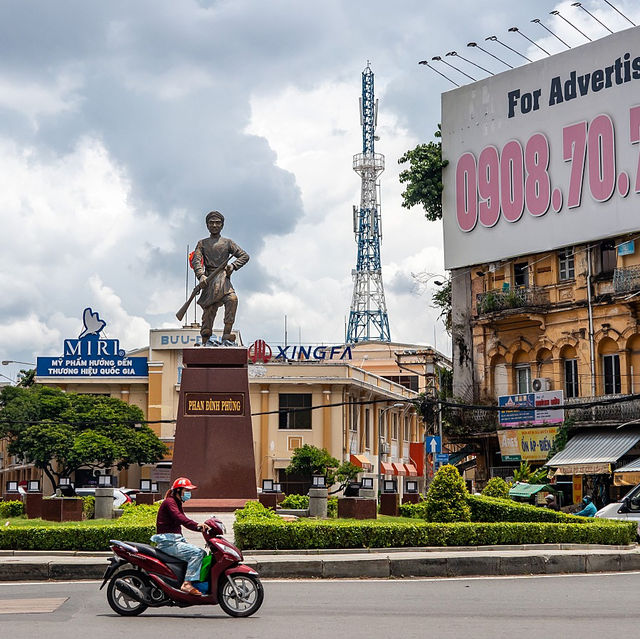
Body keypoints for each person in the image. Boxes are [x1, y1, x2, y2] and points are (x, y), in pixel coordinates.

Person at [192, 210, 249, 345]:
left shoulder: (228, 242)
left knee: (232, 300)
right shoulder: (202, 243)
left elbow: (244, 256)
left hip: (223, 280)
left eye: (218, 223)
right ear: (207, 225)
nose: (214, 225)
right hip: (209, 279)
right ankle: (205, 340)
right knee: (209, 311)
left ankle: (227, 335)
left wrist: (233, 266)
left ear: (222, 225)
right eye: (211, 223)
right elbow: (196, 261)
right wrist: (201, 276)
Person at [150, 477, 210, 596]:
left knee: (202, 553)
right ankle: (187, 584)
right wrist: (197, 524)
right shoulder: (170, 502)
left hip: (174, 541)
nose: (188, 493)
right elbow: (180, 518)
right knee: (197, 553)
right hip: (169, 543)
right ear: (178, 491)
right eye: (186, 490)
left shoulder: (176, 503)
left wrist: (200, 528)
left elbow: (184, 521)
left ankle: (191, 581)